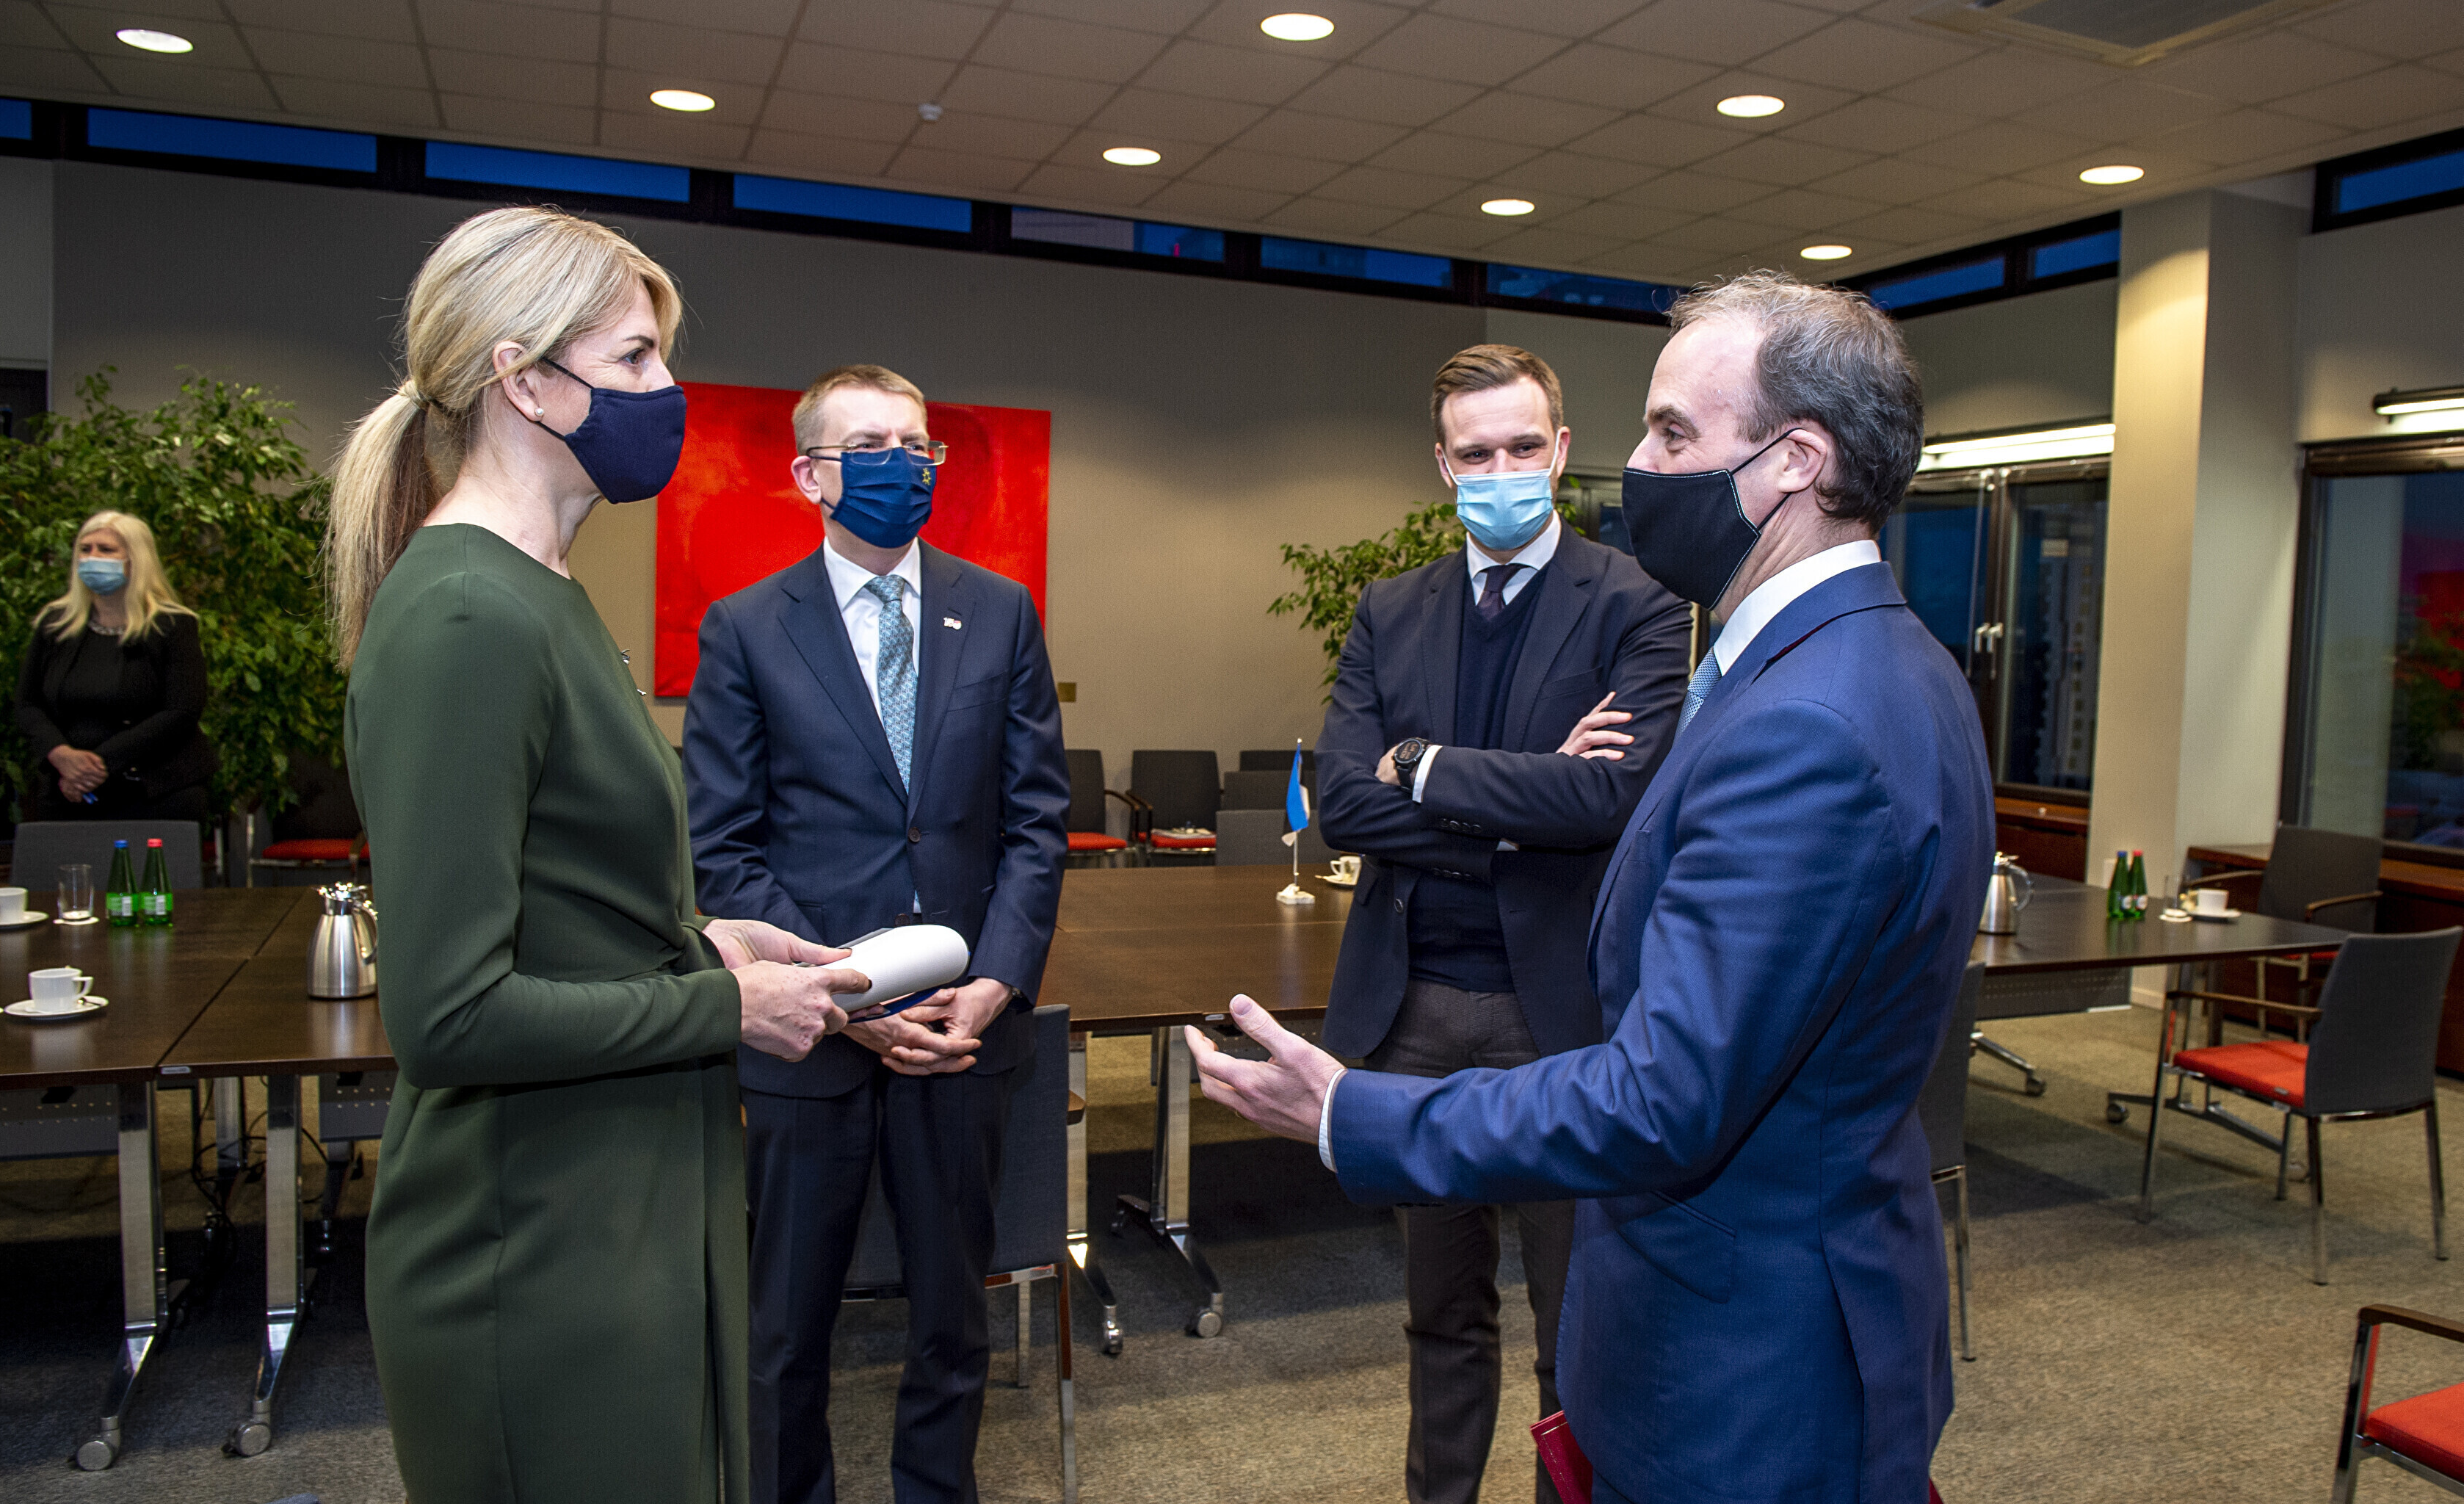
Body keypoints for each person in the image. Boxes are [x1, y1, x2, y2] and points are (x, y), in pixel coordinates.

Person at [1190, 272, 1993, 1504]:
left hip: (1741, 1363)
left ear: (1794, 460)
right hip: (1782, 1302)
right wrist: (1530, 798)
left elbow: (1668, 1092)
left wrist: (1356, 1112)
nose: (1640, 465)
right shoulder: (1881, 661)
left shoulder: (1807, 718)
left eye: (1671, 432)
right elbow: (1389, 800)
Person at [326, 205, 864, 1504]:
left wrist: (703, 942)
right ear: (522, 379)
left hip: (617, 1209)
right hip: (536, 1249)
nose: (666, 390)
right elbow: (449, 1016)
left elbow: (560, 900)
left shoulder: (543, 592)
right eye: (633, 358)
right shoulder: (468, 612)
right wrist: (725, 1005)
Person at [684, 364, 1070, 1504]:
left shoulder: (999, 610)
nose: (900, 464)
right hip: (808, 1041)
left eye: (915, 444)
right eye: (868, 446)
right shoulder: (746, 629)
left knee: (953, 1321)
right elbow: (725, 851)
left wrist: (997, 979)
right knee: (786, 1331)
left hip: (960, 1033)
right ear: (809, 475)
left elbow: (1036, 823)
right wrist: (843, 999)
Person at [1313, 344, 1689, 1504]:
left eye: (1523, 447)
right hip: (1413, 1012)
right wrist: (1524, 803)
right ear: (1442, 465)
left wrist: (1423, 767)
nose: (1501, 472)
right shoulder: (1391, 609)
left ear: (1561, 450)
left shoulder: (1636, 604)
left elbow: (1609, 800)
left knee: (1575, 1332)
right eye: (1475, 454)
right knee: (1440, 1318)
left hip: (1560, 1021)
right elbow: (1341, 803)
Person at [15, 510, 215, 822]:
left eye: (106, 550)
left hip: (155, 791)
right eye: (85, 549)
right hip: (69, 791)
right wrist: (61, 756)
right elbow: (28, 704)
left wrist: (95, 766)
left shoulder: (172, 626)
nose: (92, 557)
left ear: (136, 560)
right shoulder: (55, 624)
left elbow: (182, 711)